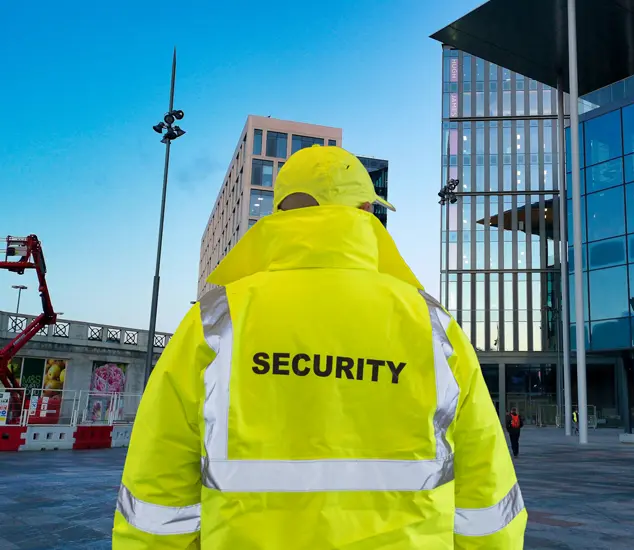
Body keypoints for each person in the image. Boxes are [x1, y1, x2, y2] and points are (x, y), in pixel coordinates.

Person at [113, 146, 527, 549]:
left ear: (279, 213)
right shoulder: (432, 324)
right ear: (366, 211)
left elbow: (157, 490)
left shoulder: (215, 320)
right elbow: (485, 493)